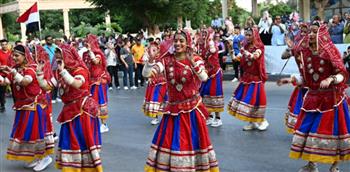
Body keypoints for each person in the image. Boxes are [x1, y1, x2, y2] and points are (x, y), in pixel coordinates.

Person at [142, 30, 219, 172]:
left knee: (190, 144)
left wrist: (192, 63)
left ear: (187, 42)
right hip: (172, 111)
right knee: (171, 144)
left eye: (181, 41)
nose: (178, 43)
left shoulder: (195, 58)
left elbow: (204, 77)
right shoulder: (166, 60)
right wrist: (151, 61)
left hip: (191, 111)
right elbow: (147, 74)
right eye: (175, 41)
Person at [288, 22, 350, 172]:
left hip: (332, 99)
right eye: (309, 32)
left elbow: (342, 74)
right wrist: (294, 80)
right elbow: (306, 80)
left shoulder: (330, 51)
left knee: (334, 133)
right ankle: (311, 164)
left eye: (314, 32)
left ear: (321, 34)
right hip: (312, 98)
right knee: (308, 131)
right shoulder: (305, 53)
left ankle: (334, 166)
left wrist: (330, 79)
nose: (310, 35)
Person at [2, 45, 53, 171]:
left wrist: (13, 73)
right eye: (13, 55)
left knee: (35, 132)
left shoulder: (31, 68)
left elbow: (25, 82)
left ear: (24, 56)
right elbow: (5, 82)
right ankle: (36, 157)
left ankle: (44, 157)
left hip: (34, 105)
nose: (13, 58)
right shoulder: (16, 68)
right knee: (27, 133)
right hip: (23, 105)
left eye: (16, 56)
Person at [53, 45, 103, 172]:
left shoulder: (80, 70)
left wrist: (63, 71)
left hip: (82, 111)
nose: (57, 59)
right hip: (69, 110)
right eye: (57, 56)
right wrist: (39, 74)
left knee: (82, 141)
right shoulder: (61, 70)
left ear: (68, 56)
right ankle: (73, 167)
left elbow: (77, 83)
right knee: (70, 141)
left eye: (60, 56)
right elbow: (48, 86)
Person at [227, 27, 269, 131]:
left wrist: (244, 52)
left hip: (256, 79)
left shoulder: (259, 46)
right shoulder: (245, 46)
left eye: (250, 35)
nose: (248, 37)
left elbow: (255, 57)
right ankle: (252, 122)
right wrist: (231, 51)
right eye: (246, 35)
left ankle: (263, 121)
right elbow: (238, 58)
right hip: (246, 77)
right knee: (248, 101)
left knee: (255, 101)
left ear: (254, 35)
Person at [83, 34, 111, 133]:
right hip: (90, 82)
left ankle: (104, 124)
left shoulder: (97, 53)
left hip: (99, 82)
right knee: (91, 103)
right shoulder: (85, 54)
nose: (86, 43)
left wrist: (90, 51)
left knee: (101, 103)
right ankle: (92, 123)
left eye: (88, 41)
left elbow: (95, 61)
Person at [199, 29, 224, 127]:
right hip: (206, 73)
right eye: (202, 34)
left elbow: (213, 50)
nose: (204, 35)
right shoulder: (201, 46)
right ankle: (209, 116)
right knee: (205, 94)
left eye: (206, 34)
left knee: (215, 95)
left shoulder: (212, 44)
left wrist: (210, 42)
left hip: (215, 73)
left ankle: (218, 118)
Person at [142, 42, 168, 125]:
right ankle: (155, 117)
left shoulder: (162, 59)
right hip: (153, 82)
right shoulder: (150, 59)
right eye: (150, 49)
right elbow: (146, 73)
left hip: (163, 83)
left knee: (164, 101)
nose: (152, 51)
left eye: (154, 50)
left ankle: (166, 117)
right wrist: (149, 59)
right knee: (154, 99)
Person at [43, 35, 60, 103]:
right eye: (48, 40)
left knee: (57, 81)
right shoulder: (43, 48)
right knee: (51, 82)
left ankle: (56, 96)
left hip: (56, 67)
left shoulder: (56, 47)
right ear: (46, 41)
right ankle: (52, 97)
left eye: (51, 39)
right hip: (48, 67)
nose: (49, 41)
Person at [0, 39, 11, 112]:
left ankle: (18, 105)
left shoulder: (11, 53)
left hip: (11, 74)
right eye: (2, 44)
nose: (4, 46)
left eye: (5, 44)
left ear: (7, 45)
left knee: (15, 90)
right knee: (1, 91)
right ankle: (2, 105)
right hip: (1, 74)